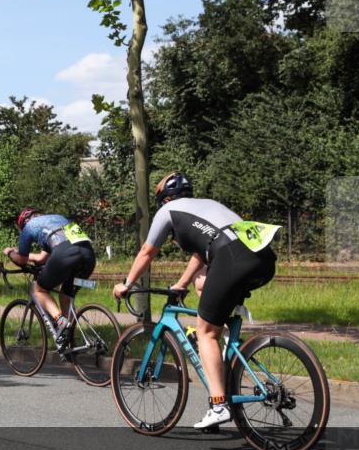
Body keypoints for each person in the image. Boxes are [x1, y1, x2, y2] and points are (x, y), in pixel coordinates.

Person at [112, 173, 278, 429]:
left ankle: (219, 404)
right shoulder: (207, 206)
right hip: (263, 258)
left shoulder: (168, 211)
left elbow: (147, 251)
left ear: (165, 199)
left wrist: (128, 284)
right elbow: (202, 253)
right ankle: (226, 362)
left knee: (205, 332)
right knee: (210, 305)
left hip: (232, 257)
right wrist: (181, 283)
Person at [3, 208, 96, 349]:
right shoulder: (58, 218)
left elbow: (21, 260)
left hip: (66, 252)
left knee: (39, 289)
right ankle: (69, 342)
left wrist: (10, 252)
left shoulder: (28, 227)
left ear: (25, 222)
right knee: (66, 295)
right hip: (88, 254)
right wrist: (29, 257)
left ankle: (60, 321)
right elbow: (42, 258)